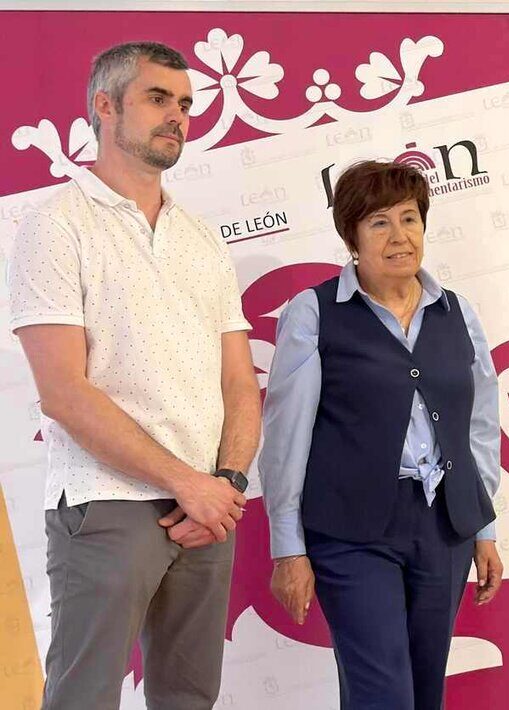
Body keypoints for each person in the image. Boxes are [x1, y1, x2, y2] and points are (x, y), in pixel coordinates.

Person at [8, 41, 258, 708]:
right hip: (107, 502)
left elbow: (240, 384)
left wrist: (227, 484)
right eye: (157, 98)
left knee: (189, 700)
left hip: (208, 511)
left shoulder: (203, 239)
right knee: (84, 699)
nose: (177, 115)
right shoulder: (54, 226)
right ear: (105, 105)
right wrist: (188, 484)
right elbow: (63, 393)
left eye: (185, 104)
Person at [260, 159, 504, 709]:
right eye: (379, 223)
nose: (399, 236)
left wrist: (482, 525)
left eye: (409, 219)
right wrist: (288, 548)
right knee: (383, 695)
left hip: (444, 527)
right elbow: (285, 439)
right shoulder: (314, 313)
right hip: (351, 533)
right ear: (352, 238)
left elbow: (480, 426)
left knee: (424, 691)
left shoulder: (458, 313)